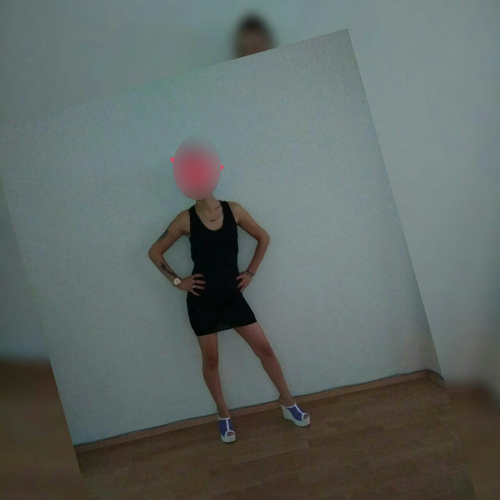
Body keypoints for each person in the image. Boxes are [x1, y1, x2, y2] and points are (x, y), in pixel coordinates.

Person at [148, 187, 310, 443]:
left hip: (232, 298)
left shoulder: (233, 210)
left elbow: (263, 237)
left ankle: (287, 402)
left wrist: (251, 272)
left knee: (264, 350)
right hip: (202, 300)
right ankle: (223, 413)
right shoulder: (184, 219)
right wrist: (178, 281)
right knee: (211, 360)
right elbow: (154, 251)